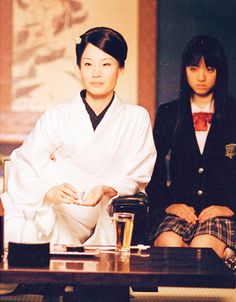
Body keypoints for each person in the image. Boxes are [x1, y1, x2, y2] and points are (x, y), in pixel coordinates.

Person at [1, 27, 156, 246]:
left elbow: (138, 174)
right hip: (56, 209)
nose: (96, 73)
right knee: (18, 229)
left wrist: (105, 188)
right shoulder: (57, 116)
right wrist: (48, 191)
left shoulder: (136, 117)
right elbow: (24, 162)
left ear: (121, 68)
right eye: (88, 64)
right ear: (78, 67)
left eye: (106, 64)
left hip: (104, 214)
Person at [147, 35, 236, 259]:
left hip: (221, 215)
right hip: (180, 212)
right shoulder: (169, 113)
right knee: (169, 247)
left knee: (202, 250)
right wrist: (168, 205)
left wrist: (231, 208)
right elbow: (153, 167)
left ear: (220, 72)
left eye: (210, 69)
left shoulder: (234, 112)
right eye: (194, 68)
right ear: (185, 71)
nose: (201, 77)